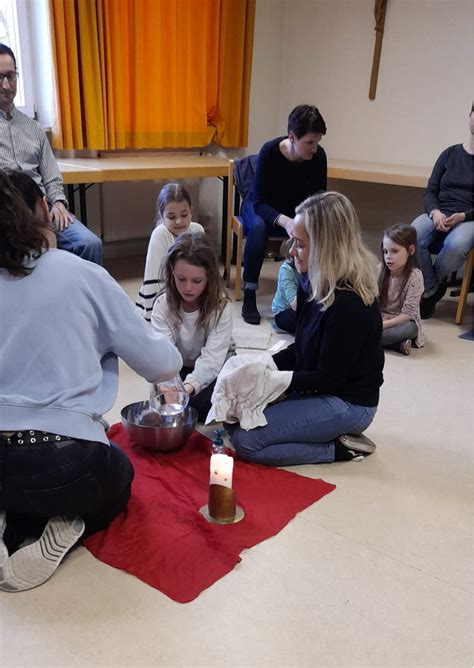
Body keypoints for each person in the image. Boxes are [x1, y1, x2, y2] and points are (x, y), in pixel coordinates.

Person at [0, 170, 182, 592]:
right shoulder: (79, 273)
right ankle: (67, 523)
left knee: (18, 482)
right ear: (45, 210)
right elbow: (159, 362)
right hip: (61, 459)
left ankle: (10, 519)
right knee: (117, 476)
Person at [228, 191, 384, 466]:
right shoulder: (310, 280)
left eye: (299, 244)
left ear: (326, 247)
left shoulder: (349, 305)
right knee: (236, 416)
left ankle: (338, 449)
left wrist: (274, 381)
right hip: (320, 386)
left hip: (348, 403)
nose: (290, 251)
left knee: (246, 442)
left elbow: (328, 379)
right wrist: (259, 365)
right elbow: (301, 349)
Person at [0, 44, 103, 265]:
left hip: (42, 208)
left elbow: (51, 175)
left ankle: (79, 298)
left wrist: (58, 203)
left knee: (89, 244)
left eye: (10, 76)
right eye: (0, 78)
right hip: (6, 214)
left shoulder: (33, 128)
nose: (6, 85)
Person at [241, 104, 327, 325]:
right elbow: (259, 202)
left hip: (294, 213)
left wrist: (303, 222)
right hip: (261, 209)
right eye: (309, 143)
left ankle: (311, 290)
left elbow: (318, 200)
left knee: (320, 226)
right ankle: (249, 292)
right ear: (292, 137)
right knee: (259, 228)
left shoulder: (318, 158)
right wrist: (286, 222)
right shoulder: (269, 152)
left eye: (317, 142)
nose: (314, 149)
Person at [151, 232, 233, 422]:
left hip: (215, 364)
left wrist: (184, 390)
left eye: (197, 281)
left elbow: (212, 360)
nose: (188, 288)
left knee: (205, 406)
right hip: (179, 366)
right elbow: (163, 354)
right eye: (181, 279)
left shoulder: (221, 307)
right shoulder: (163, 305)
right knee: (161, 400)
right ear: (172, 270)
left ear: (209, 277)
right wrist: (169, 386)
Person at [412, 103, 474, 319]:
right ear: (470, 117)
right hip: (440, 211)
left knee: (456, 245)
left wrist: (464, 216)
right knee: (413, 233)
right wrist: (435, 212)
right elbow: (430, 190)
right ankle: (432, 288)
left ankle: (430, 287)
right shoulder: (449, 154)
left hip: (468, 218)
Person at [136, 183, 204, 321]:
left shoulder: (198, 231)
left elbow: (206, 275)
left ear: (191, 211)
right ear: (162, 216)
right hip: (162, 302)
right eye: (171, 217)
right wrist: (151, 320)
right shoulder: (160, 235)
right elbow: (152, 281)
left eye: (184, 215)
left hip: (190, 299)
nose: (179, 221)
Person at [379, 224, 425, 356]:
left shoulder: (415, 277)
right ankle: (396, 344)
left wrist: (382, 325)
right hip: (380, 318)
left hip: (402, 321)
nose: (388, 256)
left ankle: (367, 340)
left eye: (394, 251)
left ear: (410, 250)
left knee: (410, 329)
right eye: (385, 251)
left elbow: (407, 315)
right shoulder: (380, 270)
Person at [271, 239, 299, 334]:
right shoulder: (287, 269)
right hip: (284, 311)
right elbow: (294, 305)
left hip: (304, 308)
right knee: (305, 320)